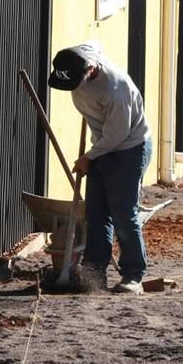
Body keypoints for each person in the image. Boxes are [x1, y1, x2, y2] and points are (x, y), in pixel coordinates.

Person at [48, 42, 152, 294]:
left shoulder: (116, 90)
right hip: (102, 146)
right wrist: (93, 154)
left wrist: (88, 157)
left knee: (123, 215)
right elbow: (93, 43)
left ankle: (132, 276)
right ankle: (94, 275)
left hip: (128, 148)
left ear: (91, 70)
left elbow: (117, 134)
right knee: (96, 214)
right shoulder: (82, 57)